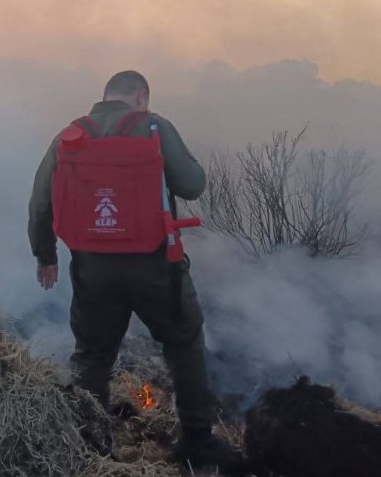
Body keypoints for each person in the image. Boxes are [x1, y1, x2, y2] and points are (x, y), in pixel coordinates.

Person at [27, 70, 241, 471]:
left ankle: (90, 447)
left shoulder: (70, 136)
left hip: (93, 268)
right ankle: (196, 443)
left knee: (92, 357)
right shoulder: (154, 126)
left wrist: (46, 257)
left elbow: (40, 203)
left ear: (104, 96)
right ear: (141, 96)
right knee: (183, 344)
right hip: (155, 265)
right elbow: (193, 185)